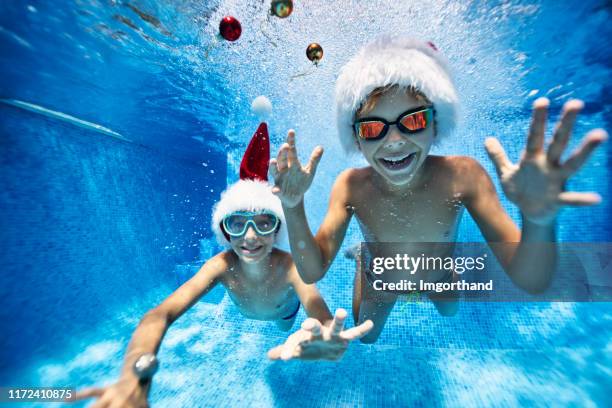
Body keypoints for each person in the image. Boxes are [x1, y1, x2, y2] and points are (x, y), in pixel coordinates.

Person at [269, 36, 608, 346]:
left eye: (413, 121)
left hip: (439, 275)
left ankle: (373, 259)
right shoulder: (351, 186)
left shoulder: (463, 176)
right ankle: (364, 259)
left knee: (450, 311)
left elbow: (532, 279)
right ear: (357, 138)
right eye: (374, 128)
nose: (395, 141)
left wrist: (537, 221)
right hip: (382, 281)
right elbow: (313, 271)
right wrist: (293, 205)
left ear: (435, 124)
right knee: (368, 338)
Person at [74, 122, 373, 407]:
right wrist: (132, 377)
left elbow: (317, 311)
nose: (251, 237)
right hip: (254, 310)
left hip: (285, 313)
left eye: (264, 223)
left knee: (285, 331)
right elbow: (160, 315)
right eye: (238, 224)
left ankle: (359, 255)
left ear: (277, 229)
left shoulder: (290, 267)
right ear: (225, 229)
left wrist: (322, 331)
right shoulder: (220, 266)